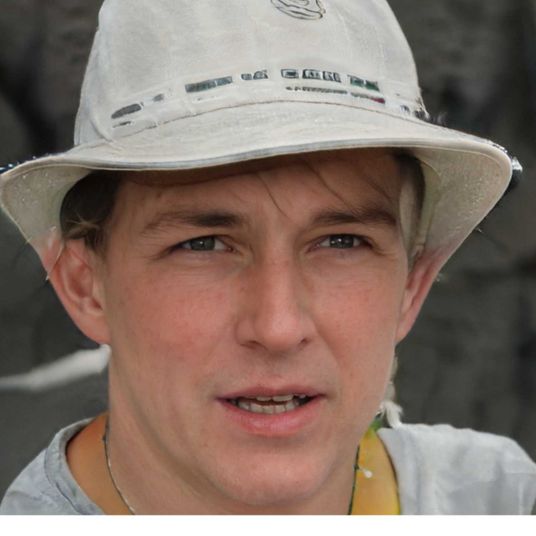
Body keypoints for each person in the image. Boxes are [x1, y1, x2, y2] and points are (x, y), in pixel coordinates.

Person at [0, 0, 535, 515]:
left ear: (411, 286)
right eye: (203, 245)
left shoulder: (502, 497)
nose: (278, 327)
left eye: (342, 242)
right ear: (85, 286)